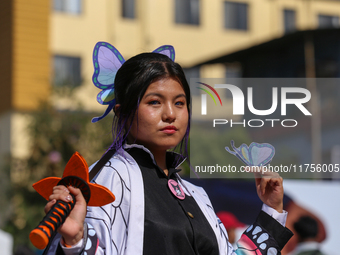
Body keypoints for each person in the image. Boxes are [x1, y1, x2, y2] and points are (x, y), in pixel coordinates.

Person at [43, 43, 293, 255]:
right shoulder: (110, 180)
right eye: (154, 102)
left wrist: (272, 209)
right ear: (123, 112)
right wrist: (76, 241)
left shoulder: (195, 194)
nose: (170, 114)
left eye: (180, 103)